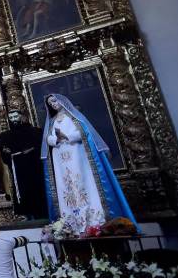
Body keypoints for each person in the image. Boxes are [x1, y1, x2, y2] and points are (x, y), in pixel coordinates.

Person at [41, 94, 139, 236]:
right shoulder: (52, 122)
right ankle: (71, 224)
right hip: (60, 157)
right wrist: (55, 139)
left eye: (55, 101)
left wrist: (67, 136)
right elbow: (48, 139)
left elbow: (83, 133)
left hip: (77, 154)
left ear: (62, 101)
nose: (54, 105)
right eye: (51, 103)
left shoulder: (74, 118)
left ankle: (93, 222)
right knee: (67, 186)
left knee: (82, 182)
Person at [0, 110, 47, 219]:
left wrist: (31, 150)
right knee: (22, 190)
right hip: (19, 168)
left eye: (15, 116)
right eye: (11, 117)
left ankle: (42, 212)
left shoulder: (34, 131)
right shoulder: (5, 136)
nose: (13, 119)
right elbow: (3, 149)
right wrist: (5, 151)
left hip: (34, 166)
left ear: (21, 116)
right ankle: (27, 213)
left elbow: (39, 146)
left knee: (37, 188)